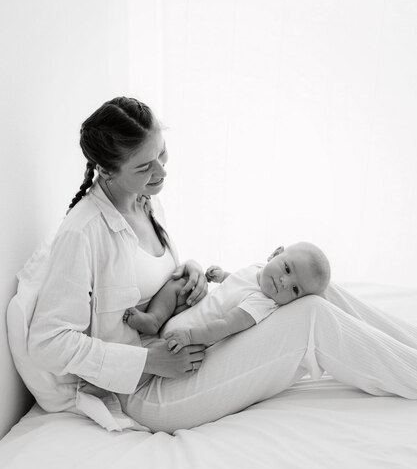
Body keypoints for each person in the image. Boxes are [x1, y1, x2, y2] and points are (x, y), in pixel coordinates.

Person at [23, 96, 417, 435]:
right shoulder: (83, 232)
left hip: (184, 347)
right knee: (310, 316)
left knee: (313, 280)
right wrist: (148, 360)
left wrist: (188, 271)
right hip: (147, 389)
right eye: (145, 167)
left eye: (161, 153)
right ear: (107, 170)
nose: (161, 172)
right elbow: (47, 342)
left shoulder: (144, 201)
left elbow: (144, 281)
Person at [123, 242, 331, 351]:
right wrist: (222, 276)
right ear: (276, 253)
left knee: (156, 352)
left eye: (295, 289)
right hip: (187, 311)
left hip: (189, 336)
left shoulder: (261, 304)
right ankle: (154, 319)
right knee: (180, 285)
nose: (285, 282)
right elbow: (239, 282)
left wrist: (189, 336)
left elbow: (225, 325)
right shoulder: (259, 268)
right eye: (287, 268)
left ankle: (145, 349)